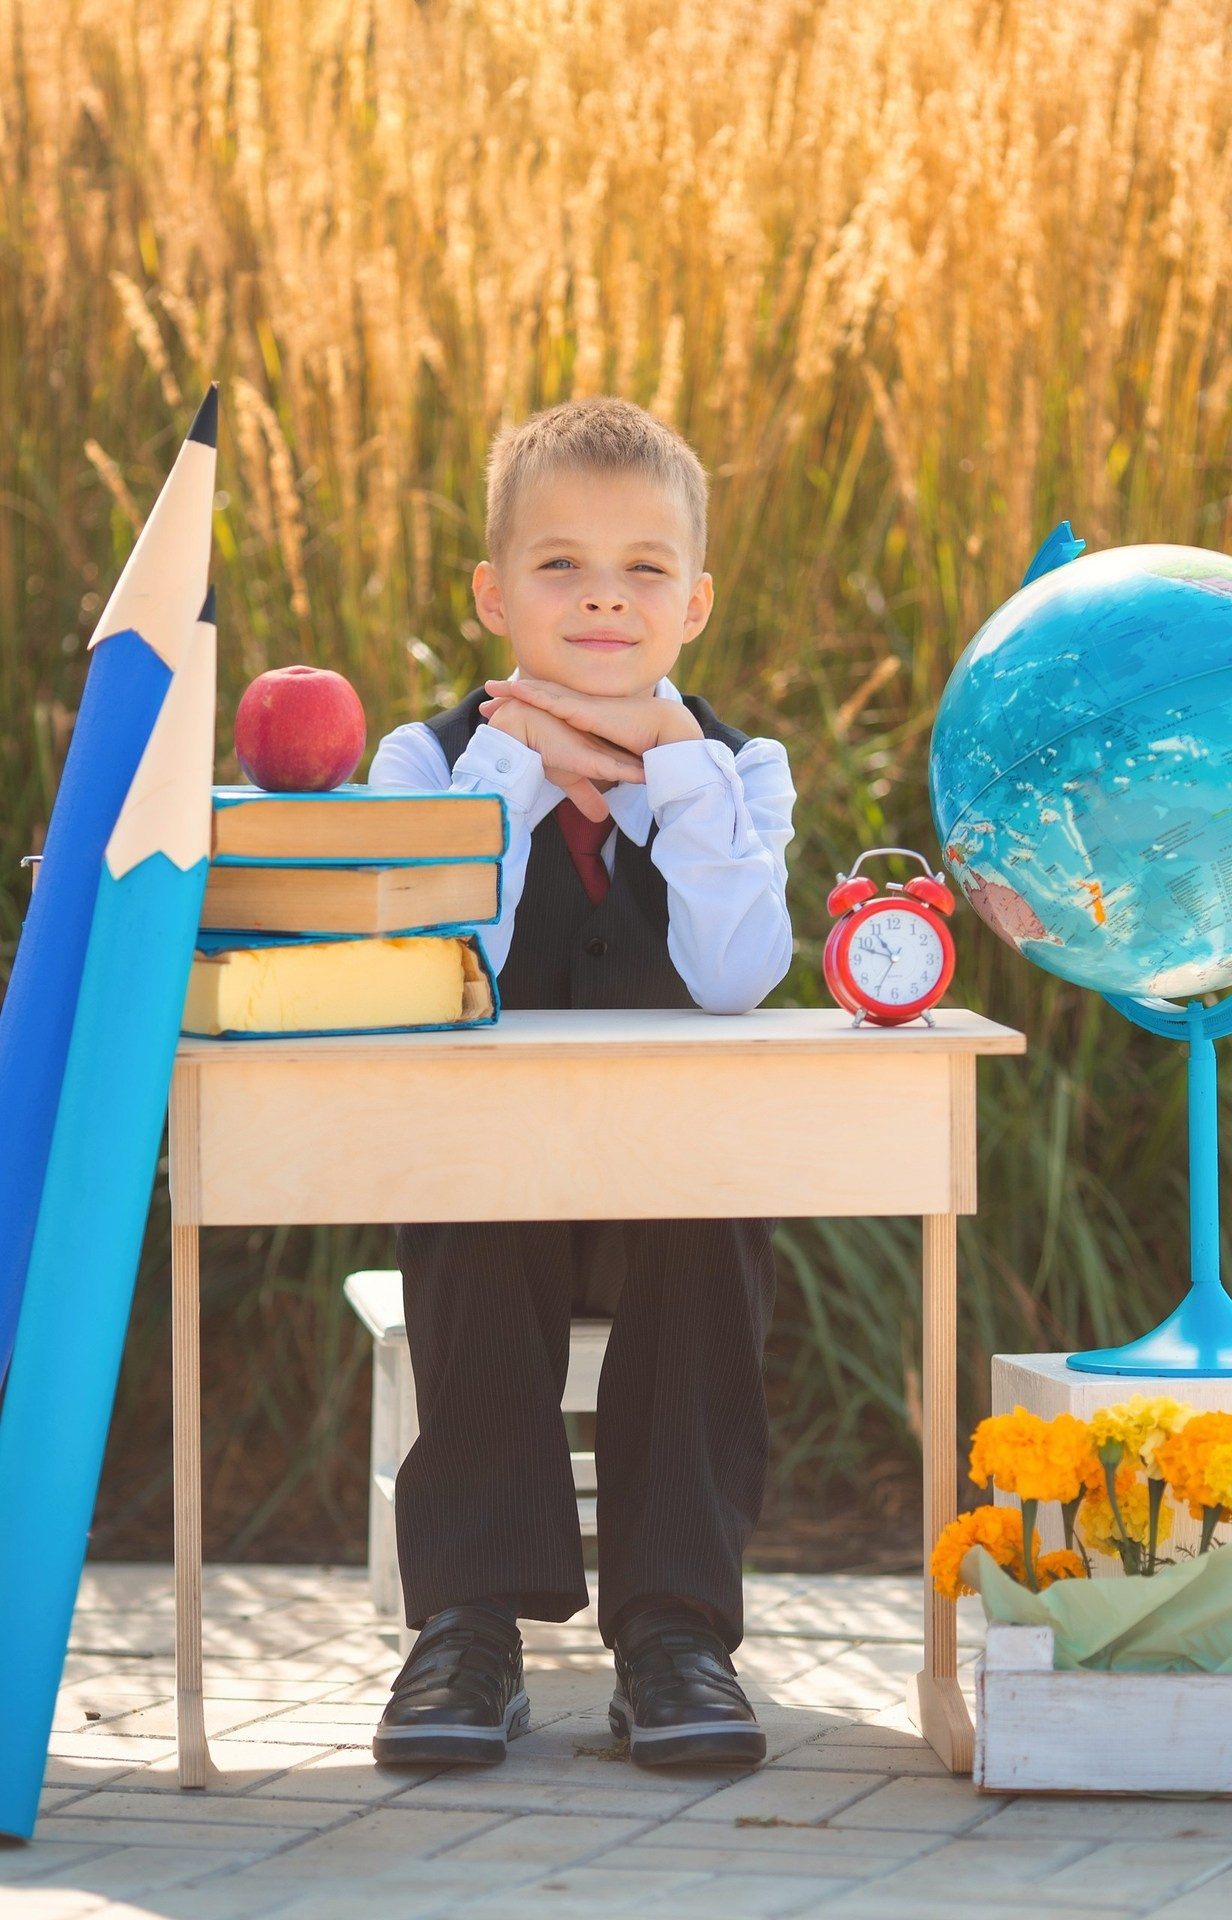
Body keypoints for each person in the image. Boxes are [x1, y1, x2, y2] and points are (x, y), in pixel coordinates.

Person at [367, 396, 796, 1769]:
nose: (603, 599)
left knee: (711, 1209)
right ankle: (469, 1626)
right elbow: (442, 961)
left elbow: (739, 977)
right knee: (467, 1191)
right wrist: (517, 764)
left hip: (666, 1192)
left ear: (696, 604)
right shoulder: (423, 764)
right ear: (495, 594)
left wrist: (672, 770)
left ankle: (676, 1632)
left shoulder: (740, 770)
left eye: (643, 570)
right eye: (560, 566)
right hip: (494, 1197)